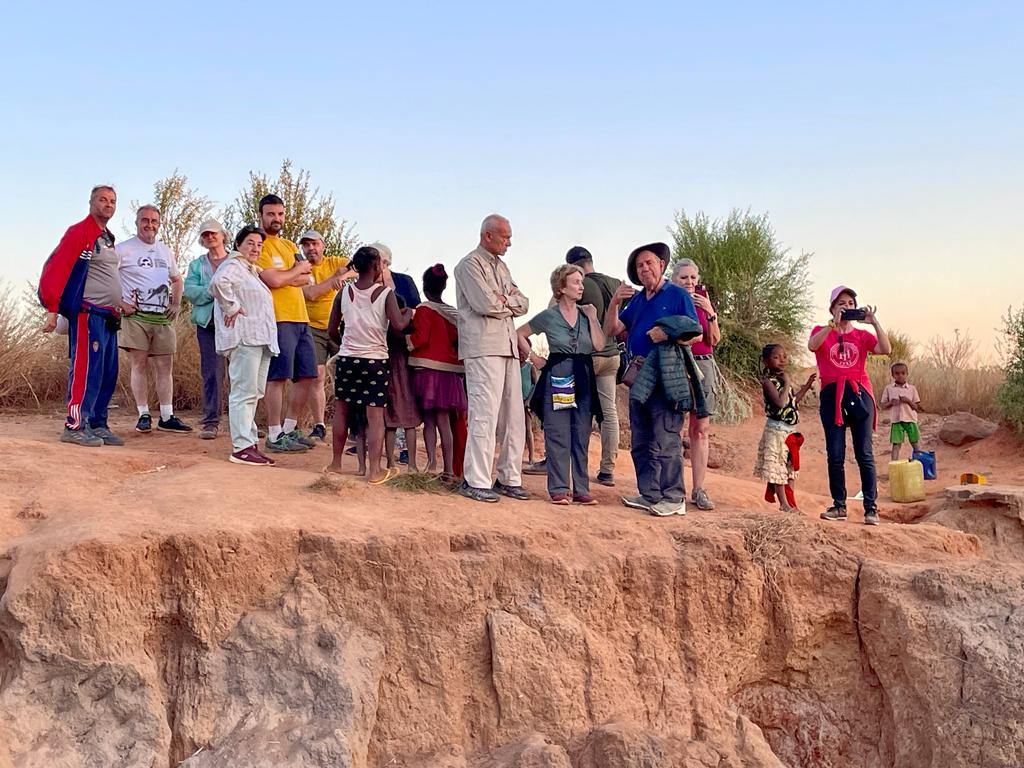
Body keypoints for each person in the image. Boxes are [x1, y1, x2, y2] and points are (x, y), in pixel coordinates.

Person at [603, 242, 704, 517]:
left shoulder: (677, 294)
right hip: (639, 377)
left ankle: (674, 498)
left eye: (649, 262)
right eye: (639, 265)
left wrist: (667, 333)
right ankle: (651, 494)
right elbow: (612, 329)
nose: (645, 268)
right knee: (642, 439)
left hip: (666, 376)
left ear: (661, 265)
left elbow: (697, 333)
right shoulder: (637, 300)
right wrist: (614, 302)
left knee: (667, 438)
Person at [39, 185, 126, 447]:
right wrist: (52, 309)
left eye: (112, 201)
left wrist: (120, 302)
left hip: (109, 316)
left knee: (107, 372)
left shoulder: (107, 237)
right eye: (102, 200)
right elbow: (56, 268)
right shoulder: (80, 232)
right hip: (88, 313)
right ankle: (75, 425)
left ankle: (98, 424)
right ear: (91, 202)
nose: (108, 205)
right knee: (85, 370)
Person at [454, 214, 531, 503]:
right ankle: (476, 479)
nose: (509, 242)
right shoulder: (468, 265)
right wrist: (503, 300)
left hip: (509, 346)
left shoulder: (502, 266)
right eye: (505, 237)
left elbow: (523, 302)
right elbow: (484, 303)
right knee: (484, 415)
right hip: (483, 347)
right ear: (488, 235)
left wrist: (504, 300)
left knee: (513, 416)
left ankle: (509, 477)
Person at [517, 265, 605, 505]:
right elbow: (519, 334)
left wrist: (593, 318)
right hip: (559, 373)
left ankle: (581, 489)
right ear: (561, 288)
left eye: (581, 282)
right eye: (576, 282)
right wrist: (534, 358)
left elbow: (598, 345)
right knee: (558, 431)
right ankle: (558, 488)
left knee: (581, 432)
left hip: (583, 375)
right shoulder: (549, 316)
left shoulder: (586, 314)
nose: (581, 286)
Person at [325, 245, 412, 482]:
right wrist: (408, 315)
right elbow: (398, 326)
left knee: (342, 412)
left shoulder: (344, 293)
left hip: (347, 359)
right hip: (375, 362)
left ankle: (336, 463)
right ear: (376, 267)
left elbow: (331, 329)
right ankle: (375, 470)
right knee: (375, 417)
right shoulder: (386, 294)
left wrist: (344, 345)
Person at [808, 286, 892, 525]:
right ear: (832, 308)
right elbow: (813, 346)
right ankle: (839, 505)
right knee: (835, 454)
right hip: (832, 393)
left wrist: (873, 322)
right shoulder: (822, 331)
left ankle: (871, 508)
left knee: (864, 453)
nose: (847, 307)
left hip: (859, 392)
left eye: (851, 304)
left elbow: (886, 349)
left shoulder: (861, 335)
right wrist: (831, 326)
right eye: (841, 303)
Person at [208, 225, 280, 466]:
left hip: (259, 338)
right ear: (238, 245)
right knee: (243, 391)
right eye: (250, 243)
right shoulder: (234, 265)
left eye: (259, 245)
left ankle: (248, 442)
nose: (256, 248)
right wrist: (233, 307)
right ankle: (241, 446)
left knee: (254, 392)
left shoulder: (250, 271)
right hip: (244, 338)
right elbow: (218, 283)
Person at [116, 205, 191, 434]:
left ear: (159, 223)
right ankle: (143, 414)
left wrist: (176, 304)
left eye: (154, 221)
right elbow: (106, 278)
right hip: (135, 316)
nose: (149, 225)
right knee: (139, 363)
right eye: (145, 220)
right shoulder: (123, 249)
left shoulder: (164, 250)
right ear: (137, 222)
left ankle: (167, 416)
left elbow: (177, 279)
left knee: (164, 365)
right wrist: (121, 304)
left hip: (161, 317)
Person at [255, 194, 316, 453]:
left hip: (302, 318)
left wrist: (287, 276)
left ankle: (289, 429)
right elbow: (273, 281)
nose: (276, 219)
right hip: (279, 318)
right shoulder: (259, 245)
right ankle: (273, 433)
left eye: (280, 214)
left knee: (307, 375)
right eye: (271, 214)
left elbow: (308, 278)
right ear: (261, 215)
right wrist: (292, 274)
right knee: (278, 377)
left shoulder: (289, 244)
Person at [565, 245, 622, 486]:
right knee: (609, 412)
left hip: (587, 356)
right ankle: (607, 469)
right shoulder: (615, 283)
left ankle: (573, 467)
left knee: (579, 413)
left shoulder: (580, 285)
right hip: (611, 355)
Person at [669, 259, 721, 511]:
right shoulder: (671, 298)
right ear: (674, 279)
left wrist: (710, 313)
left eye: (692, 278)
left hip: (704, 363)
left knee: (700, 427)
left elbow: (714, 340)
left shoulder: (703, 299)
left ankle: (699, 489)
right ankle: (673, 487)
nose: (689, 283)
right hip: (678, 362)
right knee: (674, 424)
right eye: (684, 278)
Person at [408, 264, 467, 481]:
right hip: (451, 374)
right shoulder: (454, 314)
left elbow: (419, 339)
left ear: (424, 287)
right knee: (445, 421)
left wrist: (407, 340)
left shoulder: (424, 310)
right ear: (444, 286)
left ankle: (432, 464)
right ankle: (449, 470)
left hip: (428, 372)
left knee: (430, 421)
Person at [299, 229, 355, 442]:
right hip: (313, 327)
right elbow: (311, 293)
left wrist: (345, 275)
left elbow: (359, 267)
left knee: (350, 375)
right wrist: (335, 279)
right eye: (306, 245)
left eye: (315, 244)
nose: (311, 248)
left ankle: (354, 426)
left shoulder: (336, 261)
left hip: (342, 325)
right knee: (317, 375)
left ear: (323, 245)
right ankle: (319, 424)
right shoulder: (301, 270)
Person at [754, 344, 816, 512]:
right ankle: (784, 504)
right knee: (778, 467)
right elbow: (780, 403)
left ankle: (790, 503)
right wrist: (787, 382)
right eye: (776, 357)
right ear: (766, 361)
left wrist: (807, 385)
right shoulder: (768, 382)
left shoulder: (781, 381)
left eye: (784, 356)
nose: (782, 360)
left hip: (789, 430)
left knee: (790, 467)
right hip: (776, 430)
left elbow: (793, 401)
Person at [375, 243, 421, 471]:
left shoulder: (404, 281)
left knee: (407, 401)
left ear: (386, 262)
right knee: (389, 404)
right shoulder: (365, 284)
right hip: (379, 350)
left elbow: (416, 309)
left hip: (405, 347)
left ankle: (407, 457)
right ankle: (390, 458)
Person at [183, 218, 231, 439]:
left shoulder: (235, 260)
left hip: (235, 324)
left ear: (223, 235)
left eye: (213, 233)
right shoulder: (197, 265)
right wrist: (213, 291)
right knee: (212, 373)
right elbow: (190, 291)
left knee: (241, 373)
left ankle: (243, 422)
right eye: (205, 235)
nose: (210, 237)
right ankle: (211, 421)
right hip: (208, 325)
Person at [881, 362, 922, 461]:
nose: (900, 376)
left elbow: (917, 407)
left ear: (907, 373)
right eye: (897, 373)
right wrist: (891, 402)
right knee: (896, 444)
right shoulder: (889, 388)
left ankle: (920, 464)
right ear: (893, 375)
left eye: (903, 373)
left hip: (911, 419)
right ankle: (894, 466)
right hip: (896, 420)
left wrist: (908, 401)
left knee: (915, 443)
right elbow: (883, 406)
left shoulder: (912, 389)